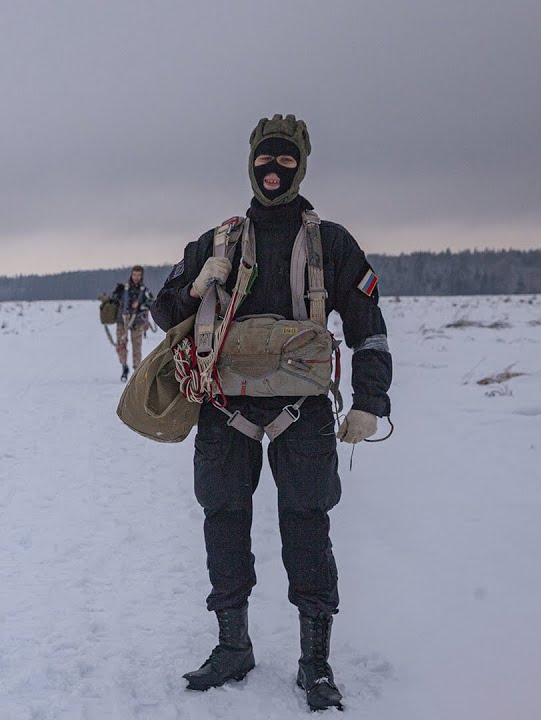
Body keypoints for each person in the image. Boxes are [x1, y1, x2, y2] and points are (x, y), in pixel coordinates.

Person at [150, 115, 392, 711]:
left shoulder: (332, 244)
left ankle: (315, 664)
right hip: (225, 408)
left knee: (307, 524)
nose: (274, 171)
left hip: (303, 412)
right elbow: (163, 310)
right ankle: (233, 647)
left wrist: (370, 403)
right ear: (250, 165)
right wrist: (196, 285)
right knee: (223, 519)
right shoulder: (218, 241)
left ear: (302, 167)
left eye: (286, 161)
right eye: (265, 160)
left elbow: (369, 331)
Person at [108, 266, 154, 381]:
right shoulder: (123, 288)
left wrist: (141, 306)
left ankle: (136, 371)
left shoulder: (145, 291)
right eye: (134, 275)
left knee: (137, 347)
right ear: (131, 274)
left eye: (138, 275)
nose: (136, 277)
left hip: (137, 321)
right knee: (120, 345)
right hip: (122, 321)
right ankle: (124, 367)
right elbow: (113, 299)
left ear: (142, 276)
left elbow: (151, 303)